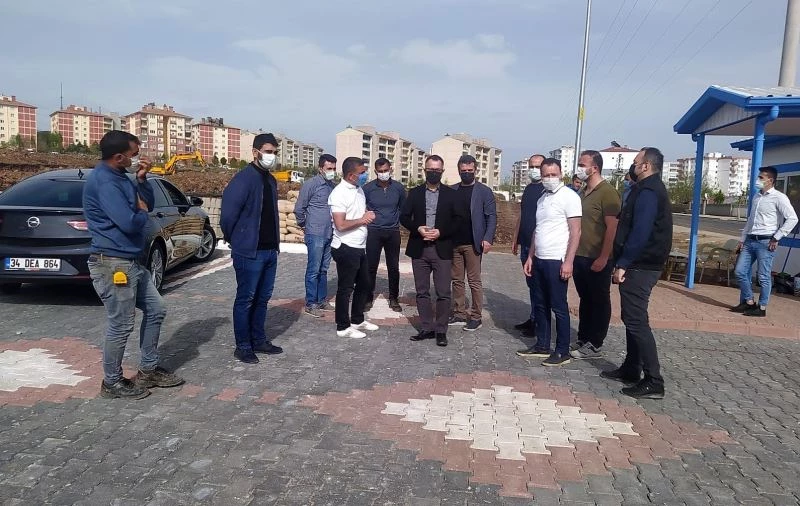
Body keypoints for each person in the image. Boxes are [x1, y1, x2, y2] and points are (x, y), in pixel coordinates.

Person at [84, 130, 184, 399]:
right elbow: (129, 222)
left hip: (130, 261)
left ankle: (148, 370)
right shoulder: (105, 182)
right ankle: (112, 382)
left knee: (156, 309)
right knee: (121, 324)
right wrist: (141, 211)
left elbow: (145, 203)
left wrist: (141, 179)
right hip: (113, 264)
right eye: (134, 155)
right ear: (119, 157)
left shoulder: (120, 176)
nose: (138, 158)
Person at [603, 147, 672, 399]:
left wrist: (623, 263)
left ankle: (654, 380)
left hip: (641, 265)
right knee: (631, 316)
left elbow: (640, 232)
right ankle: (632, 367)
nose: (632, 166)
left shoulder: (650, 192)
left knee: (636, 319)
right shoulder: (642, 189)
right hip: (638, 263)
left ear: (646, 166)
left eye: (635, 162)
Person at [221, 133, 284, 364]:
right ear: (256, 152)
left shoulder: (270, 180)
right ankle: (243, 346)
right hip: (249, 251)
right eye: (268, 152)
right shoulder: (243, 180)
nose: (272, 156)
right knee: (246, 298)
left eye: (274, 152)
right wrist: (236, 238)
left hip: (269, 250)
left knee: (263, 298)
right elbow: (228, 215)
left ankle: (259, 340)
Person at [522, 158, 582, 366]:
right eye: (545, 175)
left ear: (561, 174)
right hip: (539, 258)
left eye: (553, 174)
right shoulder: (542, 198)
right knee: (540, 304)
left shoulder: (569, 197)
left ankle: (562, 350)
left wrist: (569, 261)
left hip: (557, 260)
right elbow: (537, 230)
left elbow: (576, 231)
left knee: (558, 306)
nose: (549, 178)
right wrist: (530, 256)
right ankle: (542, 344)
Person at [400, 155, 461, 347]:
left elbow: (458, 220)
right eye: (430, 170)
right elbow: (404, 217)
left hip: (441, 248)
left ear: (442, 172)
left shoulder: (451, 194)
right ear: (424, 170)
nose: (434, 173)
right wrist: (417, 228)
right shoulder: (415, 193)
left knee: (443, 292)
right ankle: (426, 327)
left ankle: (441, 330)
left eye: (437, 170)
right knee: (422, 291)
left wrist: (441, 232)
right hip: (419, 249)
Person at [570, 150, 620, 359]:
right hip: (580, 256)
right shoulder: (583, 192)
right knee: (586, 299)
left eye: (583, 165)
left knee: (599, 300)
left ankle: (596, 343)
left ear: (595, 168)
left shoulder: (607, 193)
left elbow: (612, 228)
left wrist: (604, 257)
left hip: (597, 257)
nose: (579, 168)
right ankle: (584, 337)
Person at [731, 166, 798, 317]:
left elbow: (792, 218)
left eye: (761, 178)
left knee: (763, 276)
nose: (758, 180)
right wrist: (742, 239)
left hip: (766, 242)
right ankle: (749, 301)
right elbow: (751, 220)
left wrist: (777, 237)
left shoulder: (779, 197)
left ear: (770, 180)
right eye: (758, 177)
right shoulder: (757, 197)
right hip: (750, 240)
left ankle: (761, 308)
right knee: (740, 271)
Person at [328, 157, 379, 338]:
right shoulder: (339, 193)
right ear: (350, 175)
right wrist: (362, 220)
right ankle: (343, 326)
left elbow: (357, 212)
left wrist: (366, 215)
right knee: (346, 287)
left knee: (364, 283)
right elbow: (340, 224)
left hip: (359, 245)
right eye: (362, 173)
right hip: (345, 246)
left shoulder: (358, 189)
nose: (365, 175)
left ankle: (357, 319)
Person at [448, 155, 497, 331]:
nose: (467, 173)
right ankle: (459, 314)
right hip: (455, 244)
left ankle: (476, 316)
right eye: (463, 171)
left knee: (474, 281)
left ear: (475, 170)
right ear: (459, 170)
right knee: (457, 280)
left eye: (470, 170)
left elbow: (491, 217)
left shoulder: (484, 191)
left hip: (473, 244)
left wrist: (488, 238)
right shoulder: (452, 190)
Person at [295, 154, 337, 318]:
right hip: (315, 233)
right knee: (313, 269)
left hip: (329, 233)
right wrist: (305, 226)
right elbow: (299, 208)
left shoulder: (333, 186)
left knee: (323, 269)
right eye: (329, 168)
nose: (332, 171)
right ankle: (311, 303)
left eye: (334, 168)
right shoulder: (311, 184)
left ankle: (321, 300)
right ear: (321, 169)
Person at [363, 157, 406, 313]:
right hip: (373, 231)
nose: (383, 173)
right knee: (370, 267)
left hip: (393, 232)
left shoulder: (399, 188)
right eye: (380, 171)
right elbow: (361, 207)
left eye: (385, 170)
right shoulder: (367, 189)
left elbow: (403, 208)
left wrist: (396, 221)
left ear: (390, 169)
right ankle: (368, 298)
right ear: (375, 172)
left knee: (393, 267)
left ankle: (394, 299)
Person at [512, 154, 545, 340]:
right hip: (525, 243)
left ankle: (539, 322)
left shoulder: (546, 190)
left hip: (538, 247)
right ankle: (533, 318)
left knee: (539, 286)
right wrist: (515, 239)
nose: (534, 170)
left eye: (537, 166)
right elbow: (522, 214)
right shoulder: (529, 188)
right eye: (531, 166)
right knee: (531, 285)